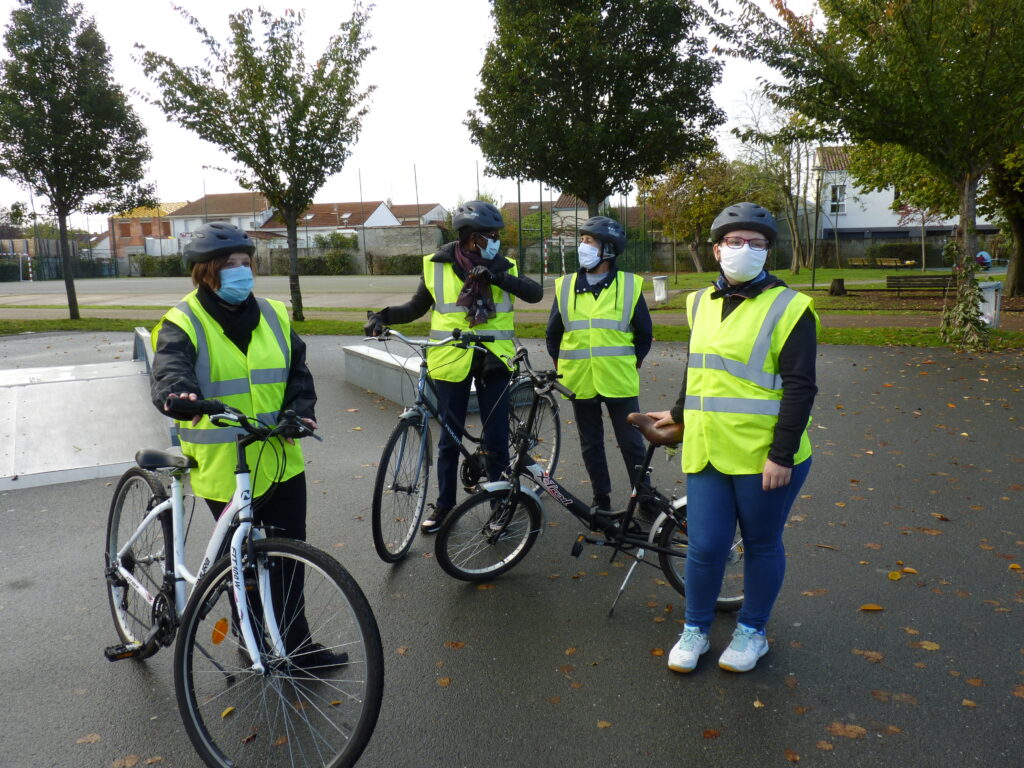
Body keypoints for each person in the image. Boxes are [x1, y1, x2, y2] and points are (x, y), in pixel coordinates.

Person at [150, 221, 346, 668]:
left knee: (289, 559)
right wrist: (179, 396)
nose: (242, 272)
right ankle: (252, 639)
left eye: (246, 263)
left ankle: (296, 645)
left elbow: (298, 371)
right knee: (242, 567)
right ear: (206, 273)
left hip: (280, 459)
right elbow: (170, 369)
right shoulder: (184, 321)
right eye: (230, 265)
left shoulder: (275, 314)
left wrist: (302, 407)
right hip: (224, 466)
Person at [646, 202, 818, 674]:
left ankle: (752, 631)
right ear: (717, 249)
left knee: (761, 544)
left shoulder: (791, 308)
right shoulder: (699, 301)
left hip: (766, 455)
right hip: (706, 448)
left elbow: (801, 387)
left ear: (769, 253)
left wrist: (782, 454)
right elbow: (698, 365)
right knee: (705, 546)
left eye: (757, 244)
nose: (745, 251)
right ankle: (696, 629)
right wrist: (679, 413)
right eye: (735, 242)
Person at [364, 201, 543, 533]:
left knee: (496, 440)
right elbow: (416, 307)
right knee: (448, 439)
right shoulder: (436, 265)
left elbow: (534, 294)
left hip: (494, 359)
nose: (495, 239)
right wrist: (383, 316)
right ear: (470, 237)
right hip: (450, 359)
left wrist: (499, 277)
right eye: (488, 235)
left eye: (495, 234)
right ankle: (445, 506)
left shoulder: (506, 265)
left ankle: (499, 505)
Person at [545, 215, 654, 514]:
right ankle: (600, 497)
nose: (582, 246)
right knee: (591, 445)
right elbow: (553, 334)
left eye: (588, 241)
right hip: (579, 382)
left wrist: (633, 362)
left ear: (607, 249)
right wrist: (564, 367)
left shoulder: (629, 286)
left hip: (619, 381)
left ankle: (644, 498)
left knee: (632, 443)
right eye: (582, 240)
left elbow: (644, 334)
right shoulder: (565, 286)